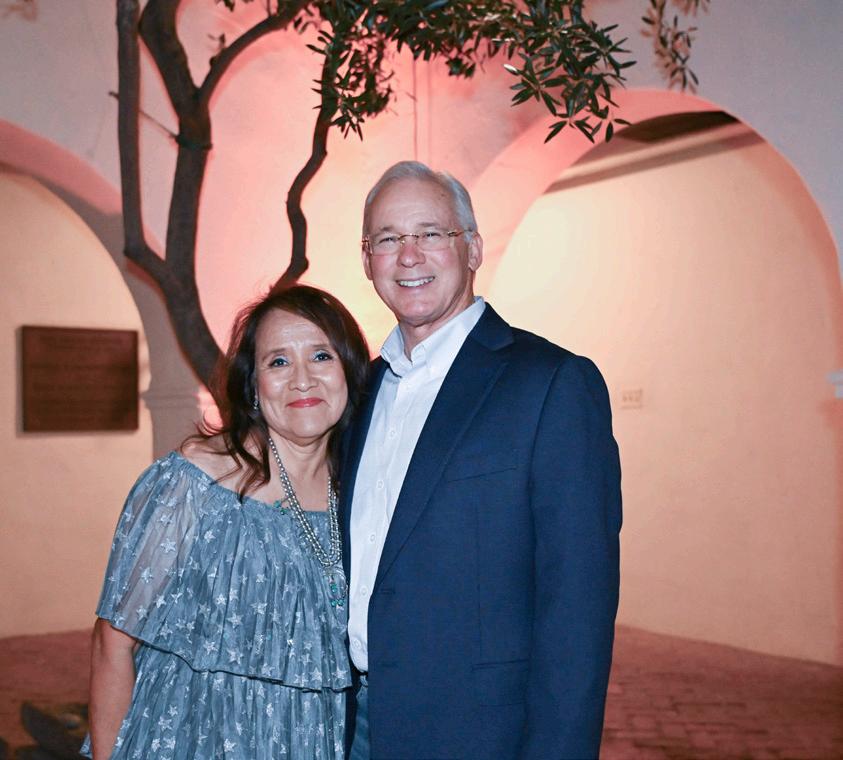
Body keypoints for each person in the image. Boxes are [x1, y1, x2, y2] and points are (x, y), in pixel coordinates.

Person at [341, 162, 622, 759]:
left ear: (472, 248)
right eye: (387, 238)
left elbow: (577, 608)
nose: (409, 255)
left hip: (478, 734)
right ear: (367, 261)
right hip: (351, 725)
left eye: (431, 233)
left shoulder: (551, 385)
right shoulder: (359, 391)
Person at [83, 285, 369, 759]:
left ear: (349, 371)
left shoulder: (361, 492)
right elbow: (112, 643)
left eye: (321, 356)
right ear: (253, 386)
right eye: (278, 362)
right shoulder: (194, 483)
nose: (302, 380)